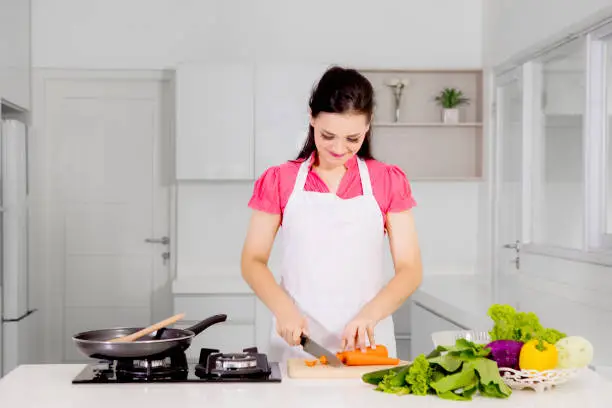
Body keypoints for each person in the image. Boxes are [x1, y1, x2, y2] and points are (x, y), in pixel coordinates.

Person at [240, 66, 422, 363]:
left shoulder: (388, 180)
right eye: (328, 135)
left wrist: (370, 316)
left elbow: (410, 268)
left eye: (352, 139)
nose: (339, 149)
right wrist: (283, 309)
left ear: (368, 125)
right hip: (298, 342)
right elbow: (252, 260)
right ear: (312, 117)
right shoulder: (279, 180)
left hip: (367, 342)